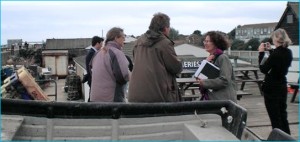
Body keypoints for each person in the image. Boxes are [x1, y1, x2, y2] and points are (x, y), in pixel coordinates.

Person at [128, 12, 182, 102]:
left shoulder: (138, 42)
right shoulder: (165, 43)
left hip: (135, 95)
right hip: (159, 95)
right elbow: (175, 67)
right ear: (165, 28)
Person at [258, 28, 292, 134]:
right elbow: (277, 60)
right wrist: (270, 50)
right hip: (282, 85)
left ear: (277, 38)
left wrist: (261, 53)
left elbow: (263, 69)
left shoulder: (275, 54)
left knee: (275, 117)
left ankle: (278, 138)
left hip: (272, 87)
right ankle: (288, 138)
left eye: (273, 37)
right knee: (282, 115)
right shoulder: (288, 52)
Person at [90, 27, 130, 102]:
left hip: (95, 98)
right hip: (111, 99)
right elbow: (122, 76)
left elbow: (91, 70)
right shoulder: (117, 53)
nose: (124, 40)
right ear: (116, 38)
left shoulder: (97, 53)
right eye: (123, 37)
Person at [196, 31, 237, 103]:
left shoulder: (222, 58)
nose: (205, 43)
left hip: (223, 99)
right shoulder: (210, 58)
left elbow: (224, 80)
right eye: (204, 41)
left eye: (208, 41)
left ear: (216, 43)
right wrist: (205, 63)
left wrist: (204, 82)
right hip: (213, 98)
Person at [82, 36, 104, 101]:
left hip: (93, 79)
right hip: (92, 79)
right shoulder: (92, 53)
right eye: (101, 44)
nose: (102, 45)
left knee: (93, 97)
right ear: (97, 43)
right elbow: (90, 68)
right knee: (92, 98)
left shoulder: (93, 52)